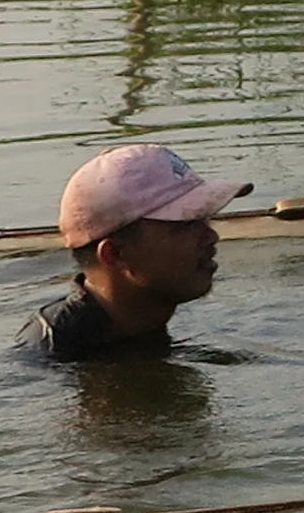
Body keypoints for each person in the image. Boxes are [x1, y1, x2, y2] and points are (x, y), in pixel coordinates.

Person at [26, 142, 247, 361]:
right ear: (116, 255)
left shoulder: (138, 323)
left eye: (205, 219)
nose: (211, 237)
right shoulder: (54, 357)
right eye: (185, 224)